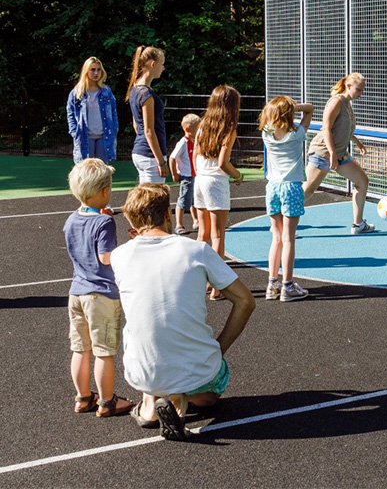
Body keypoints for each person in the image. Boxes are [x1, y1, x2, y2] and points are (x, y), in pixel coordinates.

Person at [111, 183, 255, 441]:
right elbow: (245, 301)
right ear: (168, 214)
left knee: (137, 324)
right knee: (211, 395)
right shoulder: (197, 251)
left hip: (141, 370)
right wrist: (219, 348)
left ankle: (149, 403)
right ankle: (181, 399)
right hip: (196, 369)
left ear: (131, 222)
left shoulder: (120, 256)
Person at [64, 158, 134, 418]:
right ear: (105, 192)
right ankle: (106, 401)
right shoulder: (105, 223)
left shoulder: (71, 220)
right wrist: (127, 250)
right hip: (101, 294)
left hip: (77, 291)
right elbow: (106, 257)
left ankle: (83, 397)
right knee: (104, 351)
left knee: (80, 347)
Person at [303, 72, 373, 234]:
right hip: (323, 153)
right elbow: (326, 128)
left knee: (362, 182)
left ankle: (358, 224)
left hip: (340, 154)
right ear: (348, 86)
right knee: (306, 192)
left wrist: (358, 143)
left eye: (363, 90)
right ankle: (281, 224)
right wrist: (332, 154)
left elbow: (344, 128)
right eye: (359, 90)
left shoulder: (348, 103)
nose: (361, 93)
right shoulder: (336, 102)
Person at [259, 96, 314, 301]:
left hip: (272, 187)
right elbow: (310, 110)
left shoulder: (266, 135)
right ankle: (287, 286)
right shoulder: (297, 134)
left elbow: (268, 116)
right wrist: (296, 106)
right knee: (289, 239)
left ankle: (272, 284)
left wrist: (279, 108)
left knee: (276, 238)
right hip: (291, 187)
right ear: (289, 114)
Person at [194, 85, 243, 298]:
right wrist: (237, 175)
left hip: (200, 179)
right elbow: (223, 162)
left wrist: (200, 175)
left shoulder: (203, 124)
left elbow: (196, 153)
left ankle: (198, 280)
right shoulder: (229, 128)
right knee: (218, 235)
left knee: (202, 234)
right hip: (215, 182)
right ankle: (217, 286)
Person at [126, 46, 168, 184]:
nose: (163, 68)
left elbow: (136, 125)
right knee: (155, 202)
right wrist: (161, 162)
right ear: (153, 64)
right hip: (150, 156)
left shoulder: (135, 89)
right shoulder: (147, 95)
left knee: (146, 199)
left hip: (140, 152)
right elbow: (149, 131)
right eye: (162, 64)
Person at [66, 57, 118, 165]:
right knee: (85, 170)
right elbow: (70, 113)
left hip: (104, 136)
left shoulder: (106, 92)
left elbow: (113, 112)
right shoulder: (77, 93)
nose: (96, 73)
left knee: (102, 170)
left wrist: (114, 129)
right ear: (86, 71)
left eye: (99, 70)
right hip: (85, 136)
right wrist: (74, 132)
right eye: (93, 70)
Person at [169, 113, 201, 235]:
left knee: (194, 199)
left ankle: (196, 221)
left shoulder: (195, 141)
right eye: (197, 129)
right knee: (183, 200)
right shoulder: (183, 143)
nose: (199, 131)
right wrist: (175, 174)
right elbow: (172, 158)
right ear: (188, 130)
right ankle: (179, 224)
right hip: (186, 177)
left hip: (195, 176)